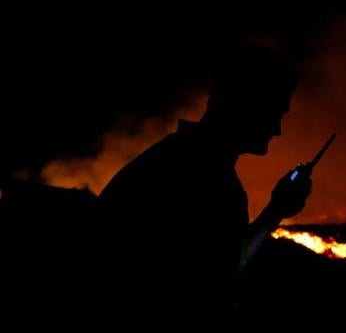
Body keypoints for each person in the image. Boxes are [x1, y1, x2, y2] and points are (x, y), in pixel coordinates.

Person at [98, 44, 311, 314]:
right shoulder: (203, 178)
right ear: (245, 104)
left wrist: (276, 210)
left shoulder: (183, 161)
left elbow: (228, 259)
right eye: (275, 113)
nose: (278, 130)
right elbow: (218, 279)